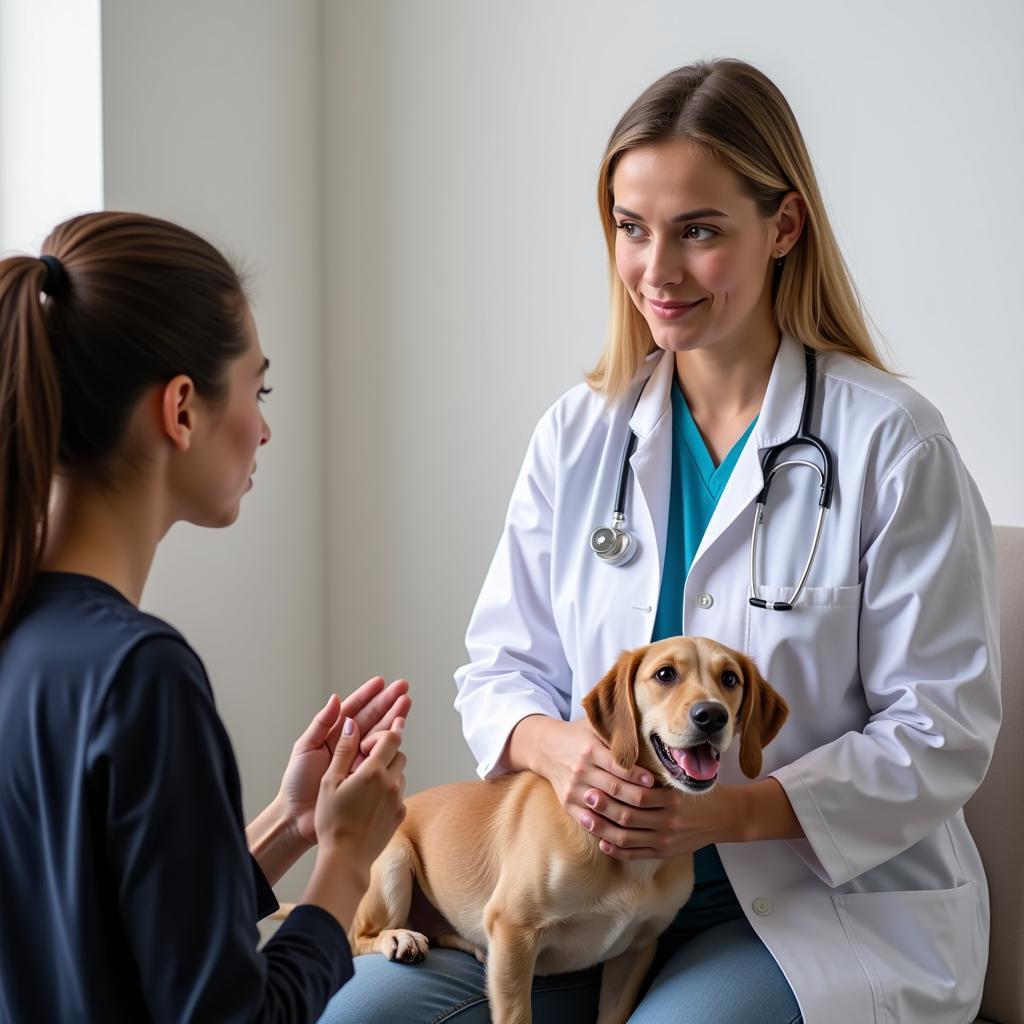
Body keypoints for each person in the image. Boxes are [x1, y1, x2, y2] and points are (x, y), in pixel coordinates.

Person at [319, 58, 1001, 1024]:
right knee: (356, 1018)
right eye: (632, 230)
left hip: (808, 908)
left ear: (785, 227)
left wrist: (727, 811)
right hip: (577, 889)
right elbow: (499, 670)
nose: (657, 270)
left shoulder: (893, 443)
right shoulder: (580, 431)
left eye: (700, 232)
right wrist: (560, 751)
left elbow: (941, 732)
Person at [0, 211, 410, 1023]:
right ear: (181, 408)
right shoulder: (140, 677)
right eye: (257, 390)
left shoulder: (27, 638)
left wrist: (289, 829)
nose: (263, 428)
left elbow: (106, 934)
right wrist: (345, 863)